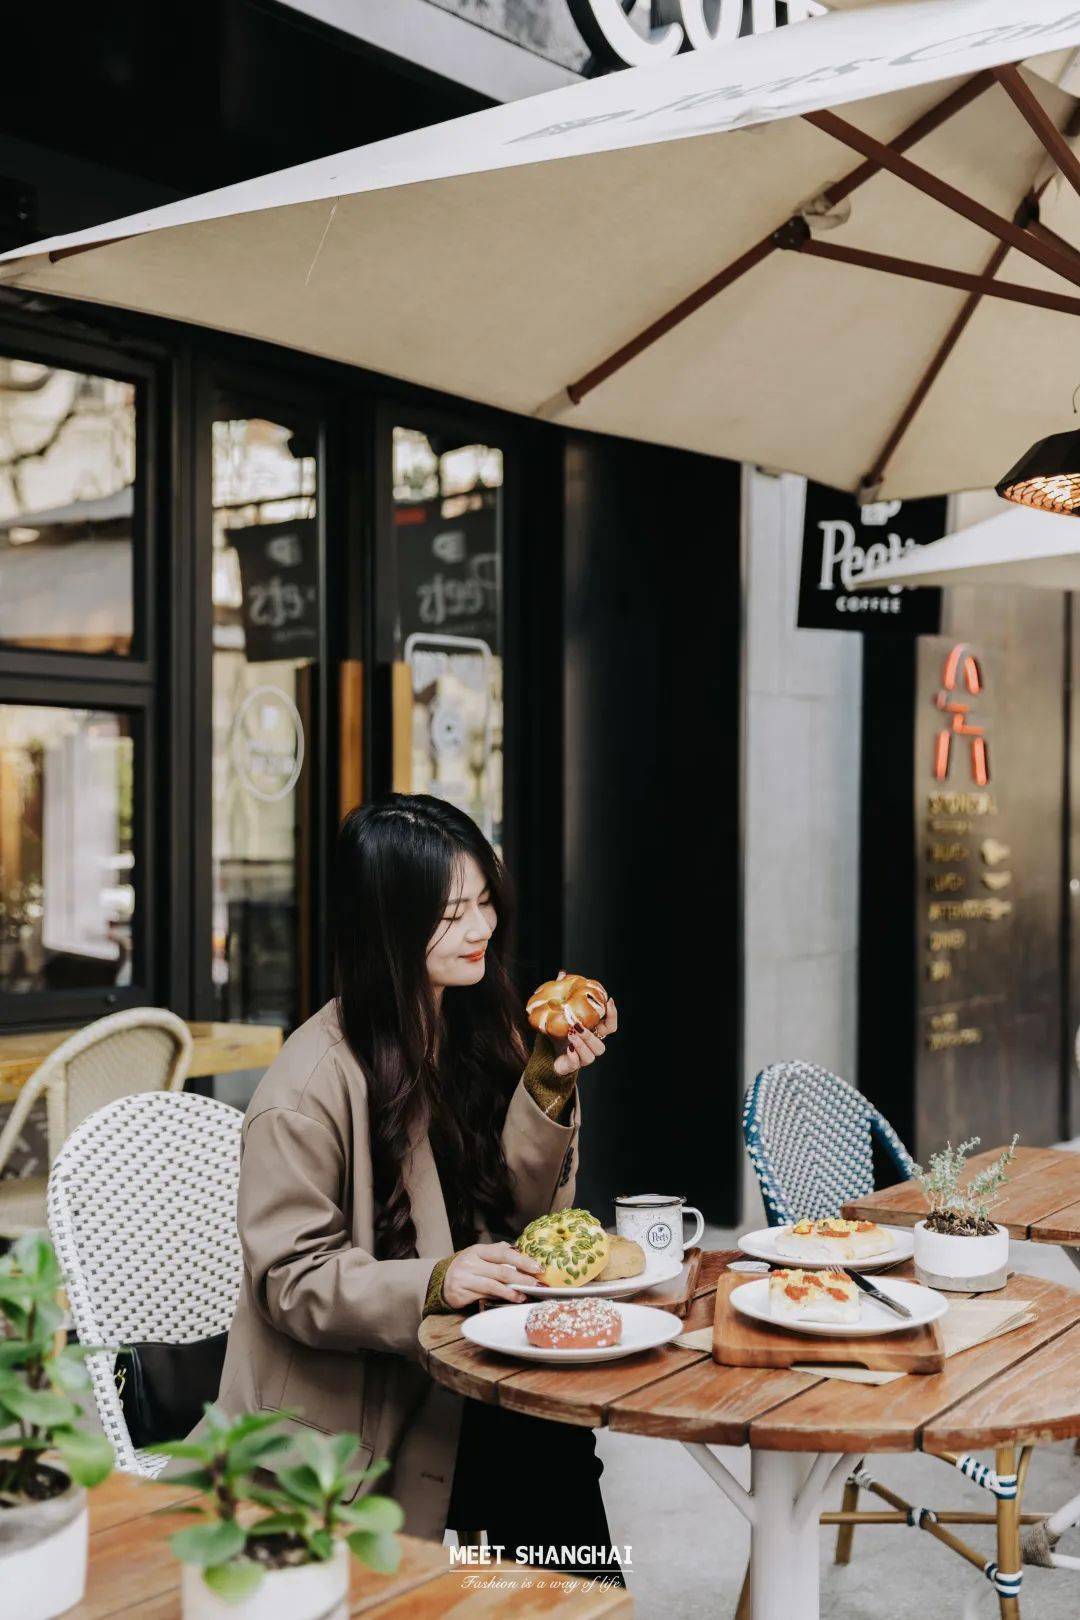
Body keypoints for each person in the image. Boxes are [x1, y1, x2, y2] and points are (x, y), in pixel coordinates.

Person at [202, 792, 624, 1579]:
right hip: (364, 1416)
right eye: (450, 911)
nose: (481, 929)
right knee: (541, 1468)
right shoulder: (309, 1083)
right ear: (387, 923)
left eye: (485, 902)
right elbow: (290, 1282)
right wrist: (439, 1280)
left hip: (476, 1365)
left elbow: (522, 1218)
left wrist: (547, 1088)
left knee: (557, 1448)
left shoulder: (477, 1025)